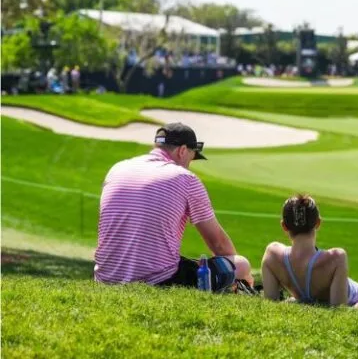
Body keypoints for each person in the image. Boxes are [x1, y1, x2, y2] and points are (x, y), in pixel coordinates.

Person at [94, 122, 253, 292]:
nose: (189, 165)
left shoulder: (117, 169)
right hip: (158, 281)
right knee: (241, 265)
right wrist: (241, 276)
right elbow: (219, 245)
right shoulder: (186, 178)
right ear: (182, 151)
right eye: (191, 158)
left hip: (105, 278)